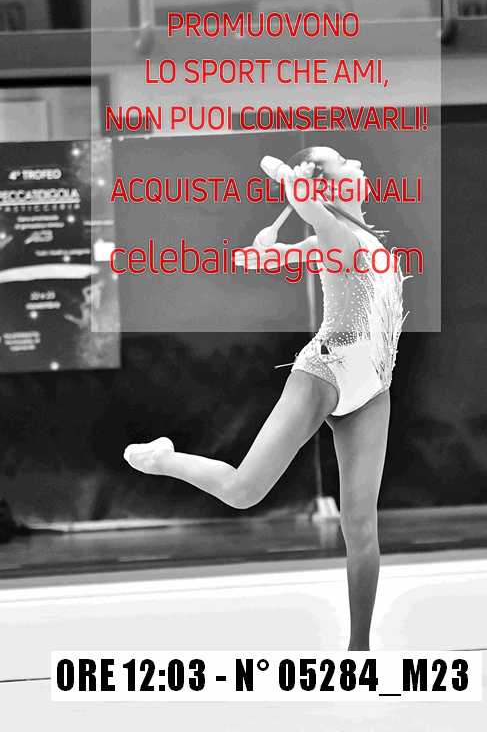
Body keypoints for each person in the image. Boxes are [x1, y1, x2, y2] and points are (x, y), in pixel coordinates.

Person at [124, 147, 409, 651]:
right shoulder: (335, 233)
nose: (358, 165)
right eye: (343, 163)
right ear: (327, 186)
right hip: (325, 372)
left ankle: (359, 652)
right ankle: (164, 459)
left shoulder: (354, 237)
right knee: (243, 491)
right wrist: (288, 178)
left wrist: (266, 252)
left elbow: (282, 253)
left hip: (372, 389)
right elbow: (306, 207)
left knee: (361, 527)